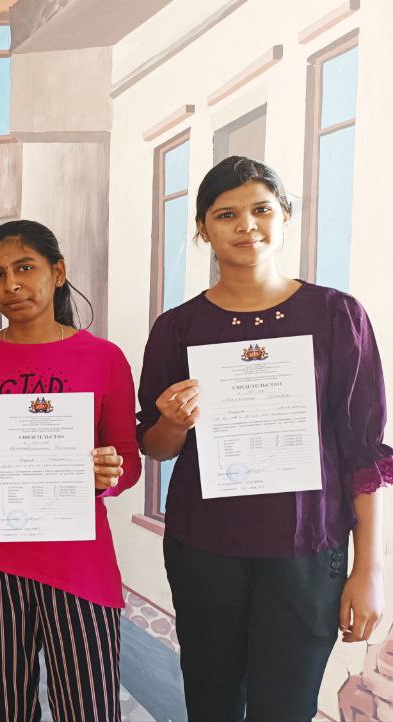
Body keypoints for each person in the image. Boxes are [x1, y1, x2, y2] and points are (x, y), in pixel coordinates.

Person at [137, 156, 388, 721]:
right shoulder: (178, 327)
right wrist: (174, 420)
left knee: (286, 710)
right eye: (226, 214)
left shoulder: (336, 315)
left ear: (284, 216)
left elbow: (363, 452)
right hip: (205, 549)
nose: (246, 225)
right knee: (212, 706)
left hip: (307, 548)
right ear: (203, 229)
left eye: (260, 209)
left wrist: (369, 567)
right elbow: (155, 445)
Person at [0, 220, 139, 721]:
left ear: (58, 273)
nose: (10, 285)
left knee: (90, 709)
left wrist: (110, 473)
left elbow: (129, 459)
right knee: (5, 710)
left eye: (25, 268)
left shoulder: (104, 358)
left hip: (81, 562)